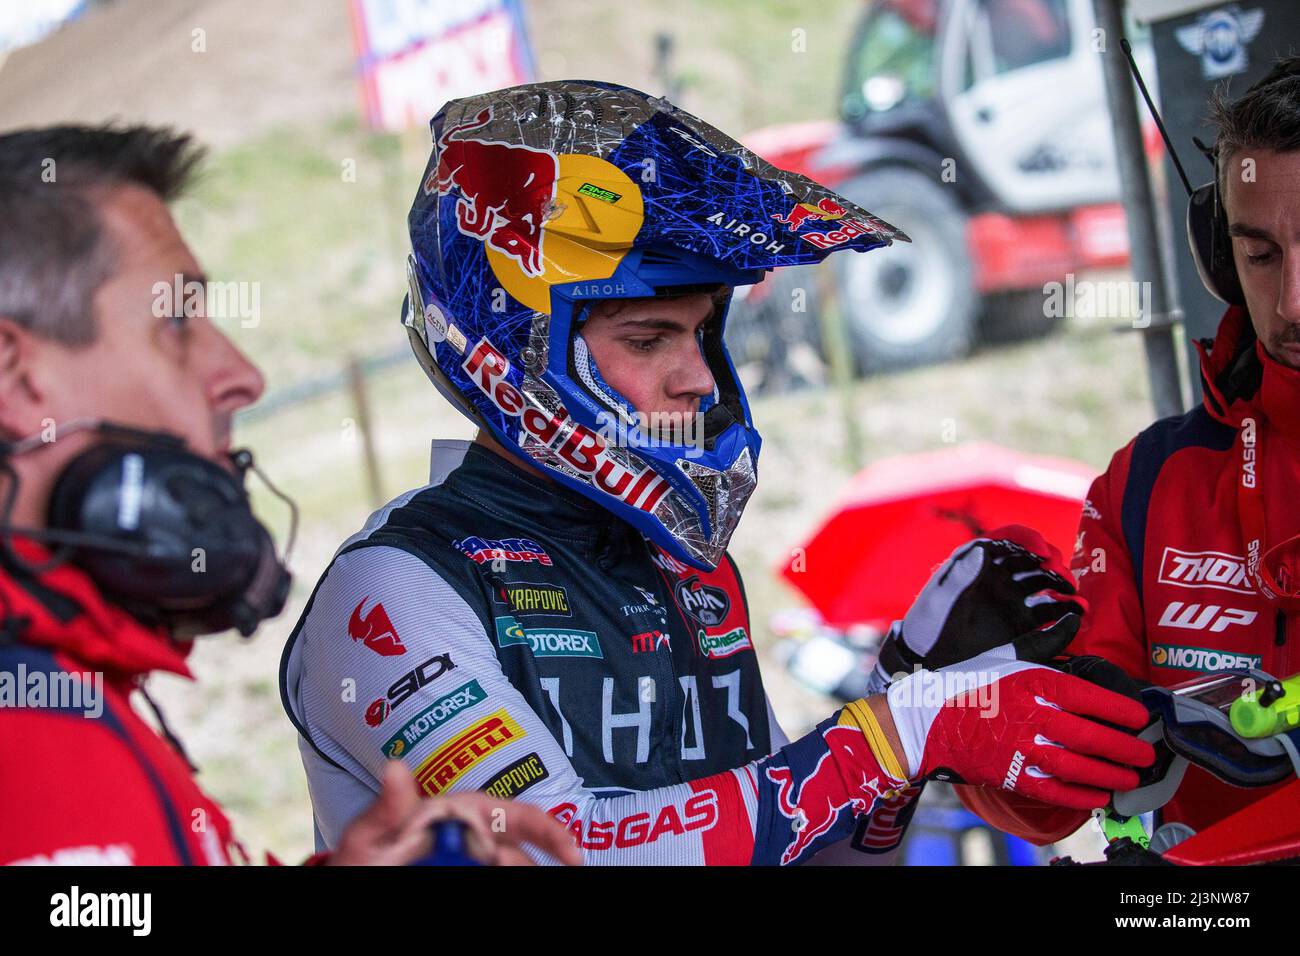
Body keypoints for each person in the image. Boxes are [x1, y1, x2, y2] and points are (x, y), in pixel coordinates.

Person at [281, 80, 1154, 865]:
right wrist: (889, 737)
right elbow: (561, 850)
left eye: (701, 332)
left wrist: (907, 704)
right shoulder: (396, 589)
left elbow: (805, 853)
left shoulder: (682, 564)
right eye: (647, 338)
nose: (697, 375)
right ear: (515, 348)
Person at [0, 124, 579, 867]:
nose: (243, 375)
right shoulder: (29, 735)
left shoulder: (64, 687)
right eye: (176, 323)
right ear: (17, 378)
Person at [958, 59, 1300, 844]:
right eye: (1260, 254)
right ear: (1219, 257)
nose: (1291, 303)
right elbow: (1053, 801)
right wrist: (959, 710)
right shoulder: (1144, 486)